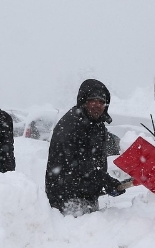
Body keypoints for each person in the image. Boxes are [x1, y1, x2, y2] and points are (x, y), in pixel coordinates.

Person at [45, 79, 124, 215]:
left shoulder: (97, 125)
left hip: (87, 195)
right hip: (67, 198)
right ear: (84, 101)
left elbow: (96, 161)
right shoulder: (71, 125)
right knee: (76, 234)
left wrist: (104, 182)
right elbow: (77, 164)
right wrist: (106, 181)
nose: (97, 105)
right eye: (93, 100)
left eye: (101, 102)